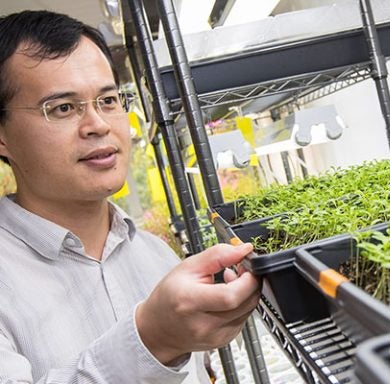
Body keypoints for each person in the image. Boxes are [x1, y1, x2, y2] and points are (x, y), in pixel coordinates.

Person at [0, 10, 261, 383]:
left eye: (108, 100)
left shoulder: (156, 255)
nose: (99, 125)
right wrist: (152, 340)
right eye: (62, 108)